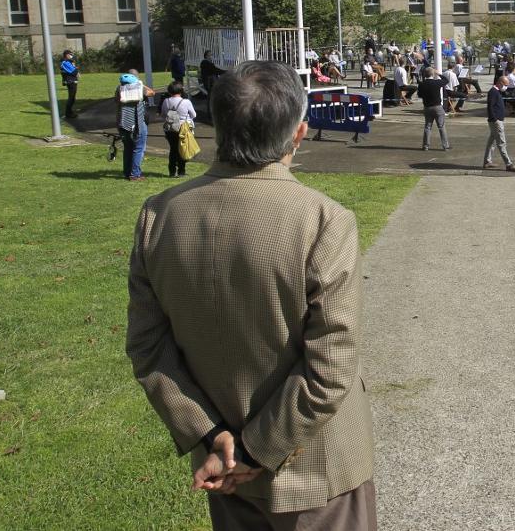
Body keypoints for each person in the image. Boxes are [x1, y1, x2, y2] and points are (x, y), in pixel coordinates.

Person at [126, 61, 376, 531]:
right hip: (315, 465)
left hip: (223, 461)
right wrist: (255, 449)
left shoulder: (160, 216)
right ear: (299, 134)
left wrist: (211, 435)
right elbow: (331, 367)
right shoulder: (323, 220)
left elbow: (147, 348)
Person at [116, 71, 155, 181]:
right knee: (138, 148)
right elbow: (152, 92)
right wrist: (141, 83)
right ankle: (135, 174)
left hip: (123, 123)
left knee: (128, 148)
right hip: (138, 124)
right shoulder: (139, 89)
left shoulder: (119, 90)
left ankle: (127, 172)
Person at [160, 81, 197, 178]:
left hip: (170, 128)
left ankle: (172, 172)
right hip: (183, 128)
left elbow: (163, 114)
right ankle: (181, 171)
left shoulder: (166, 101)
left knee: (173, 149)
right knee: (182, 149)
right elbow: (194, 115)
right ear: (181, 90)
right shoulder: (186, 102)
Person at [483, 74, 515, 172]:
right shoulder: (493, 92)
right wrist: (495, 119)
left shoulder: (496, 91)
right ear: (500, 83)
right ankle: (508, 164)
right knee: (501, 143)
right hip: (496, 121)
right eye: (505, 85)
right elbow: (490, 107)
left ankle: (487, 161)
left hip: (496, 120)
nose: (506, 87)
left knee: (491, 142)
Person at [417, 66, 450, 151]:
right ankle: (445, 145)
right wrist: (438, 73)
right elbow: (446, 80)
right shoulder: (436, 82)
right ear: (432, 74)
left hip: (427, 107)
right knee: (441, 126)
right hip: (437, 107)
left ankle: (426, 145)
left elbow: (419, 95)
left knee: (428, 127)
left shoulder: (422, 84)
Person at [60, 50, 80, 118]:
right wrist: (75, 67)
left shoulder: (68, 62)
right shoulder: (65, 63)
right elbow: (73, 71)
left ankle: (70, 112)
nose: (71, 56)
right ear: (66, 55)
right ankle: (68, 113)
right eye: (70, 54)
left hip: (72, 81)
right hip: (70, 81)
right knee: (71, 98)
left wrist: (74, 67)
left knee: (73, 98)